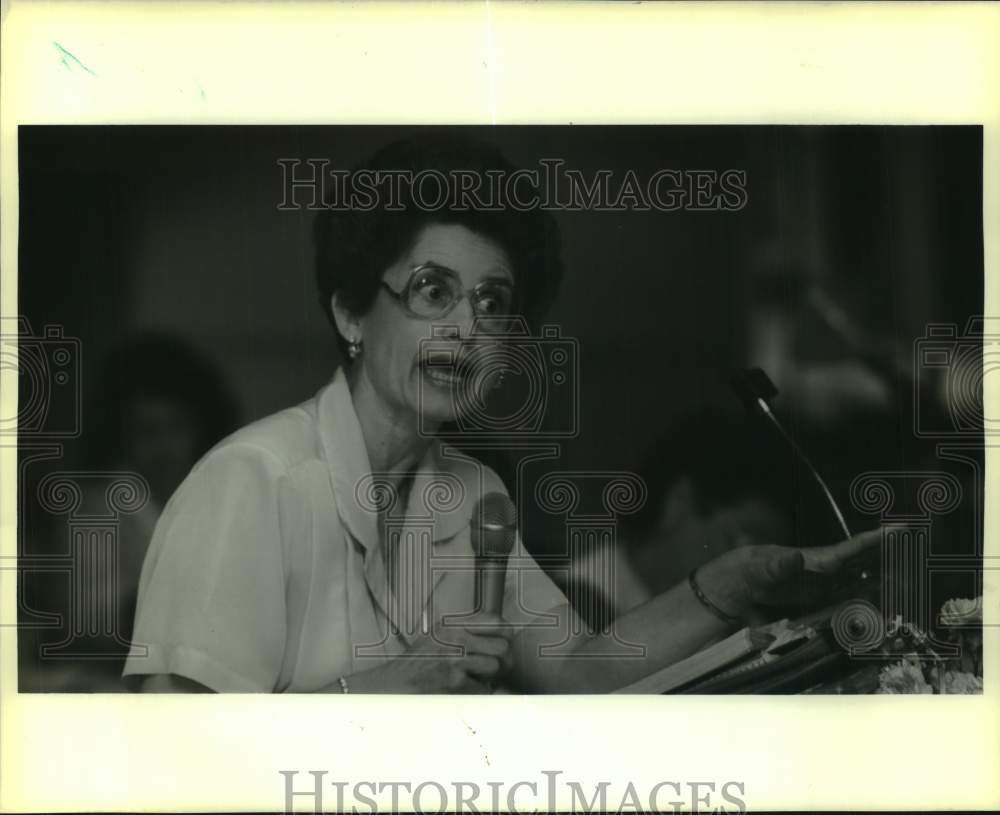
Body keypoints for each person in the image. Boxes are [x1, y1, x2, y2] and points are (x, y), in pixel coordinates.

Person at [123, 133, 883, 694]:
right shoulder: (250, 484)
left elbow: (585, 673)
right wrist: (392, 686)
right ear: (352, 312)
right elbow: (175, 762)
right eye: (432, 290)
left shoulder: (474, 495)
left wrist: (735, 586)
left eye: (493, 302)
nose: (466, 327)